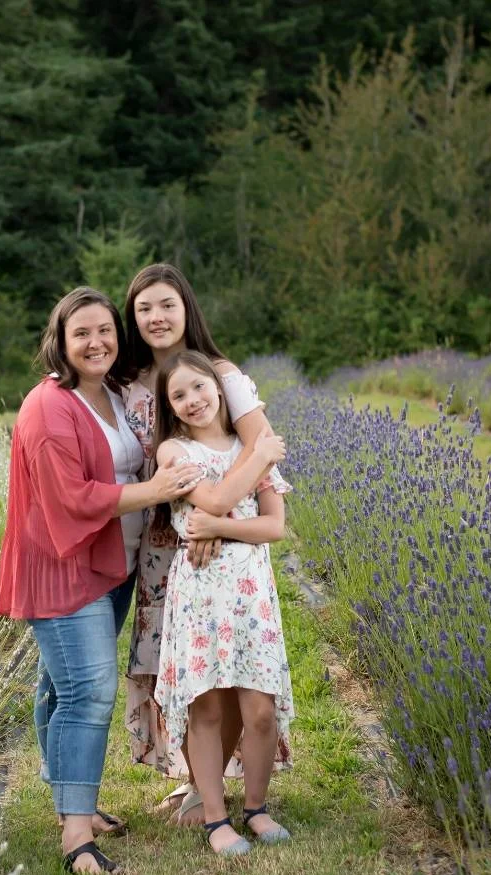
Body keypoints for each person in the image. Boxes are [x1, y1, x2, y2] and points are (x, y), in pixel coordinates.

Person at [0, 287, 211, 875]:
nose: (97, 342)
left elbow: (151, 449)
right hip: (65, 569)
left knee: (60, 688)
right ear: (60, 341)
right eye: (82, 333)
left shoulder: (114, 393)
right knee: (89, 693)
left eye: (106, 331)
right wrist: (156, 492)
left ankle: (73, 799)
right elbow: (69, 499)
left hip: (111, 566)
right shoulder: (50, 406)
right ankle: (75, 835)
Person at [121, 262, 288, 824]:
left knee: (230, 667)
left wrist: (213, 513)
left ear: (186, 307)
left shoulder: (221, 374)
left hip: (221, 537)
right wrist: (194, 514)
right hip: (165, 537)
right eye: (144, 308)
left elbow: (259, 442)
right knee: (188, 667)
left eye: (167, 304)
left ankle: (220, 787)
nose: (157, 317)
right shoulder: (135, 378)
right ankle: (201, 784)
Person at [152, 351, 295, 855]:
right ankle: (216, 817)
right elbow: (210, 499)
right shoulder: (174, 451)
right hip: (201, 593)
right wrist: (258, 456)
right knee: (207, 707)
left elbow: (274, 525)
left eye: (199, 388)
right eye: (179, 395)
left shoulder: (246, 443)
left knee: (259, 708)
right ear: (169, 407)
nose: (193, 401)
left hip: (250, 589)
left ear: (219, 387)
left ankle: (255, 807)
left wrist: (220, 527)